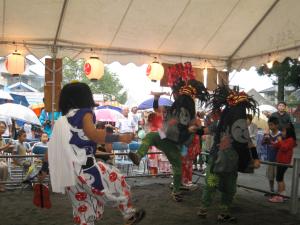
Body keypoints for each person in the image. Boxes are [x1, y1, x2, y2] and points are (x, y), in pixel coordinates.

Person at [39, 82, 145, 225]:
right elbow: (93, 134)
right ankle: (128, 213)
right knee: (117, 182)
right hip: (87, 168)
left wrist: (43, 171)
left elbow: (50, 152)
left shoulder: (62, 121)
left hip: (70, 176)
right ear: (85, 97)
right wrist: (120, 137)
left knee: (83, 209)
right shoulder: (85, 113)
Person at [129, 79, 209, 202]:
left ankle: (176, 190)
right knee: (150, 136)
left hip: (176, 144)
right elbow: (156, 109)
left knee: (178, 168)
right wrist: (156, 98)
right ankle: (139, 156)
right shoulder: (171, 109)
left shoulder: (190, 116)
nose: (176, 95)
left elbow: (197, 129)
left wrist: (199, 129)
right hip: (165, 137)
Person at [269, 123, 297, 203]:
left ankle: (280, 196)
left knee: (279, 179)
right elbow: (278, 145)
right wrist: (272, 144)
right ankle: (283, 194)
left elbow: (284, 147)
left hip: (283, 162)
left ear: (289, 132)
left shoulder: (290, 140)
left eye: (284, 131)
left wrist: (280, 141)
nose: (282, 133)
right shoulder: (286, 140)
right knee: (280, 178)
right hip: (281, 162)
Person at [262, 116, 282, 195]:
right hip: (270, 158)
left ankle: (279, 192)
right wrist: (265, 137)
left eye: (271, 125)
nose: (270, 127)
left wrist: (269, 140)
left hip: (278, 159)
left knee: (278, 177)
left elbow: (279, 145)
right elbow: (262, 143)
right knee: (270, 176)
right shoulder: (268, 133)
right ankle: (271, 190)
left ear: (276, 125)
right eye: (269, 125)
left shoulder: (280, 134)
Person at [0, 121, 15, 192]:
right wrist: (7, 145)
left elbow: (3, 149)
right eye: (1, 127)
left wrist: (10, 147)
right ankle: (2, 185)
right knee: (4, 166)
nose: (2, 129)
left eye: (4, 128)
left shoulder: (2, 138)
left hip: (1, 159)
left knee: (4, 166)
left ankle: (2, 185)